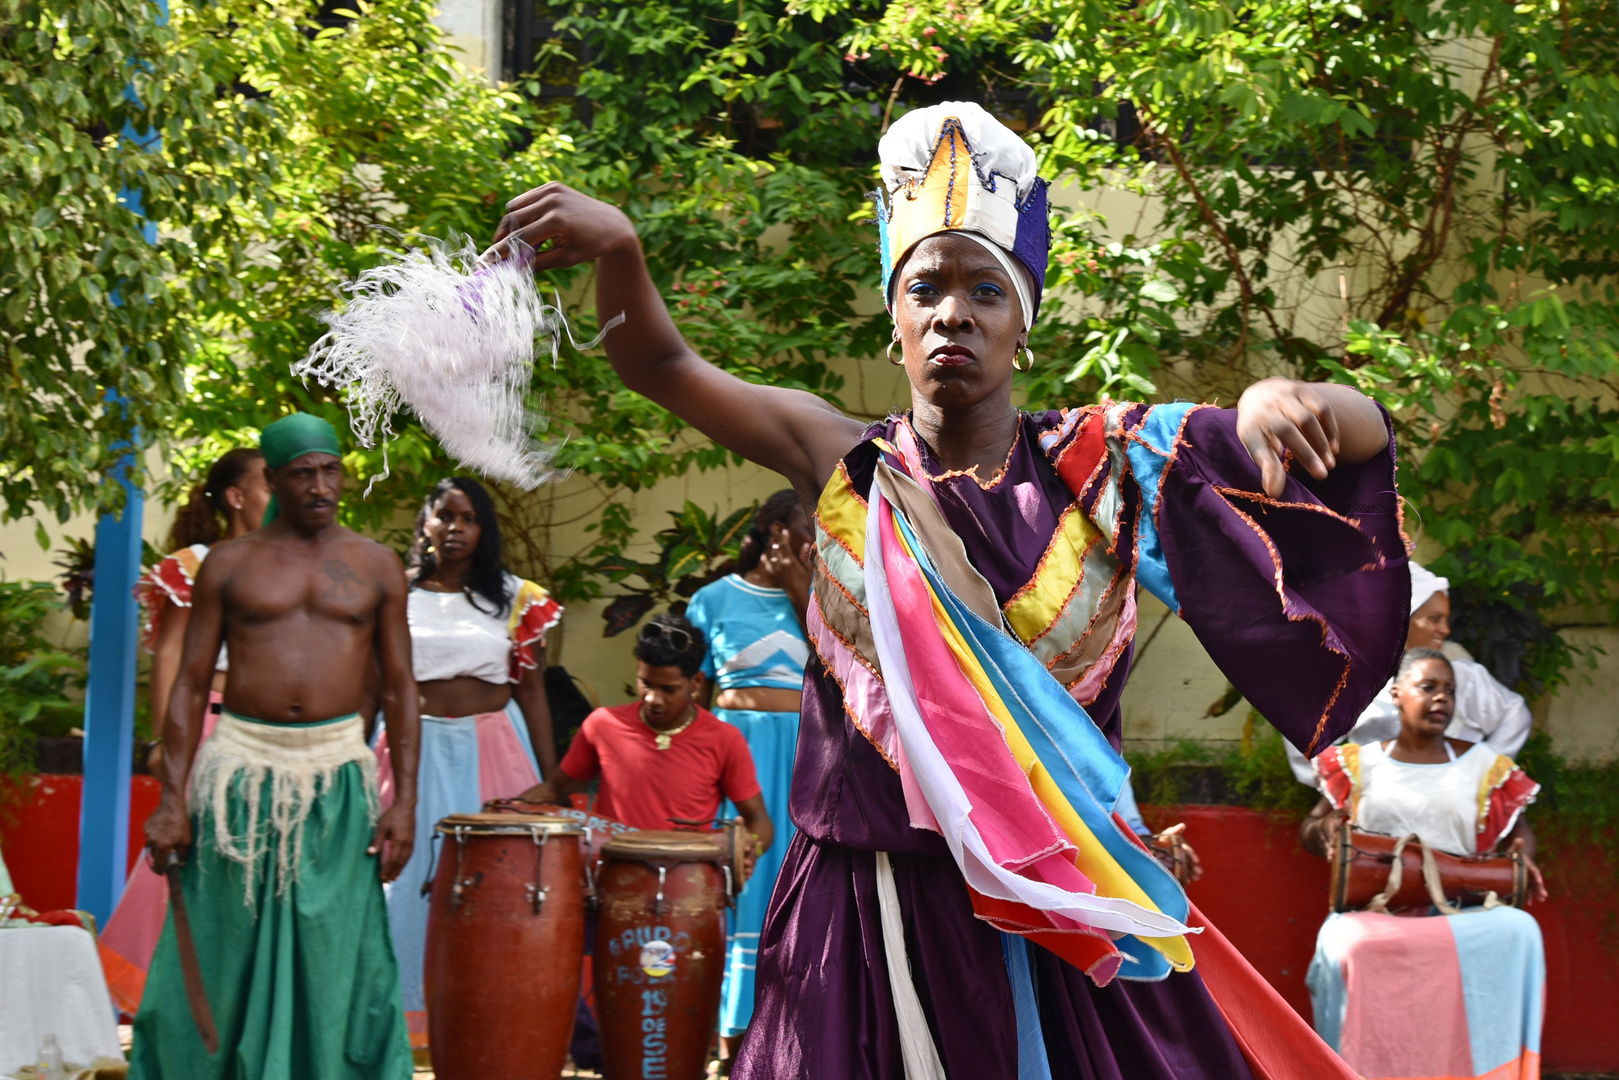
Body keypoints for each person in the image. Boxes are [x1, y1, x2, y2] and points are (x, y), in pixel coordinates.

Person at [490, 101, 1408, 1077]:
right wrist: (621, 250)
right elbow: (660, 363)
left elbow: (1356, 435)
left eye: (983, 289)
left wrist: (1288, 402)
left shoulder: (1108, 465)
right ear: (894, 320)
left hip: (1057, 907)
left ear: (1023, 322)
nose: (951, 312)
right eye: (923, 287)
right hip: (859, 904)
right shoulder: (840, 463)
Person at [131, 413, 419, 1080]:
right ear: (273, 479)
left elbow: (402, 690)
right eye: (302, 474)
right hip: (239, 773)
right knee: (223, 942)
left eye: (331, 470)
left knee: (335, 944)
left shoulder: (375, 565)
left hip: (336, 775)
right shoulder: (230, 565)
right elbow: (188, 685)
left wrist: (402, 801)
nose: (321, 486)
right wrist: (172, 799)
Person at [371, 475, 563, 1047]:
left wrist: (550, 781)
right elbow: (371, 683)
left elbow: (531, 691)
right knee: (398, 883)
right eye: (444, 516)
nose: (454, 528)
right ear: (424, 524)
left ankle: (484, 1014)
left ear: (484, 529)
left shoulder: (515, 598)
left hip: (493, 748)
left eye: (468, 518)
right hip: (407, 751)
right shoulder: (394, 594)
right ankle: (402, 1025)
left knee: (493, 883)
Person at [1301, 648, 1546, 1080]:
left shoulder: (1483, 764)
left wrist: (1520, 858)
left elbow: (1522, 833)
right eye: (1428, 687)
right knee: (1348, 943)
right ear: (1396, 694)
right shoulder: (1360, 763)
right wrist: (1321, 832)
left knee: (1520, 930)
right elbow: (1312, 826)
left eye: (1449, 691)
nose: (1442, 699)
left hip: (1461, 913)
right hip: (1377, 913)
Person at [97, 447, 272, 1017]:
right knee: (186, 856)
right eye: (268, 483)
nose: (281, 492)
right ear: (235, 497)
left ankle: (239, 990)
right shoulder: (196, 562)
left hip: (268, 729)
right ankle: (165, 993)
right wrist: (165, 742)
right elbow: (169, 657)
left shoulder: (285, 559)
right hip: (208, 721)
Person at [685, 490, 813, 1058]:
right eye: (808, 526)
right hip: (737, 760)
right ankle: (728, 1036)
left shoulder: (823, 600)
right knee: (740, 886)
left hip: (807, 761)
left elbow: (844, 669)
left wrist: (797, 586)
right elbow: (697, 700)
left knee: (798, 889)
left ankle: (788, 1035)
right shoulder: (712, 600)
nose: (820, 537)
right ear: (774, 532)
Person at [519, 614, 773, 852]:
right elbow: (554, 788)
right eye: (646, 684)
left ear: (696, 681)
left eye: (668, 689)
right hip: (611, 875)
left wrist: (748, 853)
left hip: (690, 882)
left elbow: (758, 820)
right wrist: (509, 810)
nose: (653, 699)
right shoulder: (602, 724)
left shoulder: (725, 739)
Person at [1287, 562, 1535, 784]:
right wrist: (1345, 785)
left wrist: (1481, 775)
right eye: (1435, 619)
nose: (1445, 629)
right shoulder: (1348, 681)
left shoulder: (1461, 676)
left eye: (1446, 619)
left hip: (1449, 803)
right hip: (1379, 806)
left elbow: (1514, 713)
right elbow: (1303, 734)